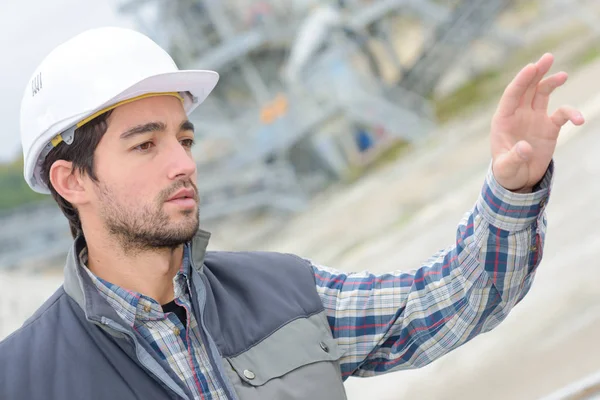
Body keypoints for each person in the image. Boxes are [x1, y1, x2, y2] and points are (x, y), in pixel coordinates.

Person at [0, 27, 584, 400]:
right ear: (71, 179)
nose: (183, 164)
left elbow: (455, 298)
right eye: (146, 144)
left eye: (185, 139)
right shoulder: (21, 378)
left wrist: (513, 185)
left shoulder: (284, 294)